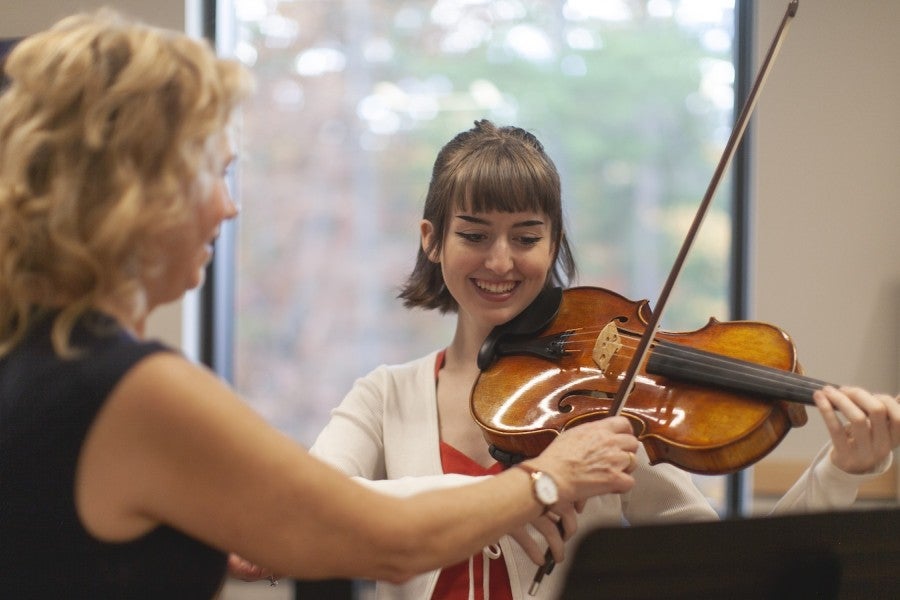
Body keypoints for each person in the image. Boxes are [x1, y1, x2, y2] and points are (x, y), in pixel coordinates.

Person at [0, 14, 643, 598]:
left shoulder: (35, 362)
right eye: (212, 173)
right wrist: (546, 479)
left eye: (526, 237)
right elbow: (378, 538)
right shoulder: (133, 389)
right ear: (138, 191)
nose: (229, 206)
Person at [310, 119, 900, 599]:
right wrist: (518, 495)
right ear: (432, 239)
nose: (501, 261)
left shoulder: (605, 402)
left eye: (526, 237)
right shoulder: (385, 397)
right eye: (474, 235)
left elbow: (736, 575)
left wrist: (838, 473)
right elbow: (310, 512)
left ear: (552, 244)